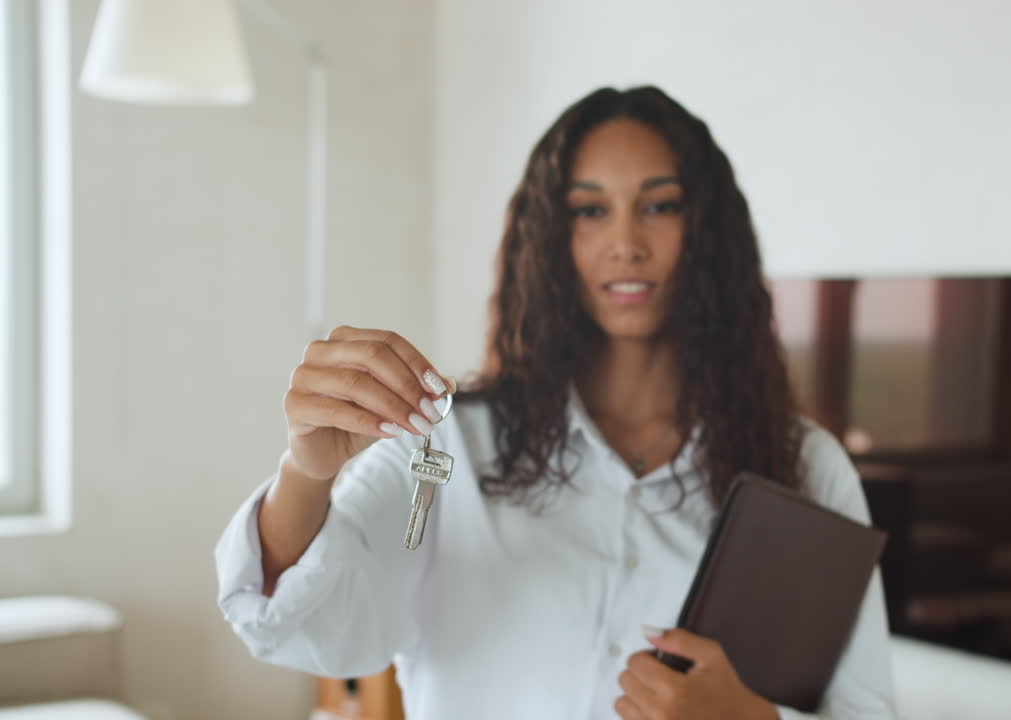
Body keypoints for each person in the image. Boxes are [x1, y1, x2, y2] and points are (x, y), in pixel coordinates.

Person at [215, 85, 895, 719]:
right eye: (589, 210)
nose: (627, 244)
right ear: (548, 238)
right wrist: (306, 473)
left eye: (660, 205)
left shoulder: (806, 469)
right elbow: (308, 631)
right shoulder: (446, 445)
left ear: (708, 233)